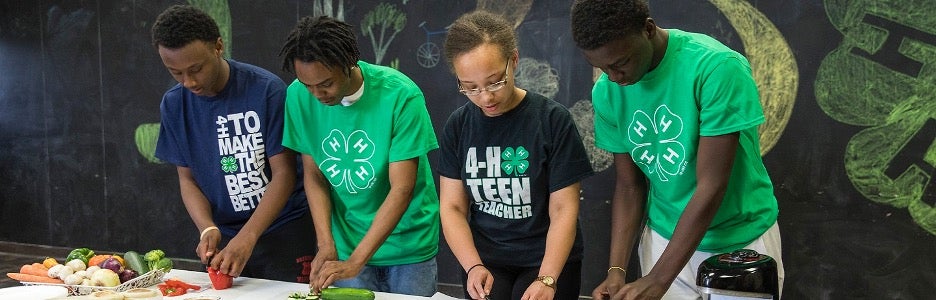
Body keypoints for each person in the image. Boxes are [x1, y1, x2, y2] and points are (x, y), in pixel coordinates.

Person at [569, 0, 785, 299]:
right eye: (602, 68)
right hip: (663, 238)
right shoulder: (607, 90)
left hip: (740, 243)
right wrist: (616, 271)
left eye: (620, 63)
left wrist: (659, 278)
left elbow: (711, 185)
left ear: (647, 29)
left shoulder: (716, 67)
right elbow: (630, 187)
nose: (614, 77)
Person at [278, 15, 440, 296]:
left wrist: (356, 261)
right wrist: (326, 243)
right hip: (346, 242)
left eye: (325, 83)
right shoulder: (298, 96)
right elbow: (314, 175)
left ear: (349, 62)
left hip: (408, 246)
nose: (317, 94)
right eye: (308, 85)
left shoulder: (400, 95)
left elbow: (402, 188)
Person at [151, 5, 315, 283]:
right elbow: (187, 179)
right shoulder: (173, 104)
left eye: (196, 69)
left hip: (283, 231)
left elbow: (285, 174)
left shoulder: (266, 90)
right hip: (225, 236)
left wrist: (248, 236)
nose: (189, 81)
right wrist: (207, 228)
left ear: (218, 46)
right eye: (176, 73)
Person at [438, 10, 595, 300]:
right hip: (485, 258)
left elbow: (564, 210)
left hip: (547, 257)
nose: (485, 97)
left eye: (495, 81)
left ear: (513, 60)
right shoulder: (458, 126)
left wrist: (547, 278)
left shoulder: (552, 120)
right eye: (470, 88)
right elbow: (452, 208)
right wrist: (472, 266)